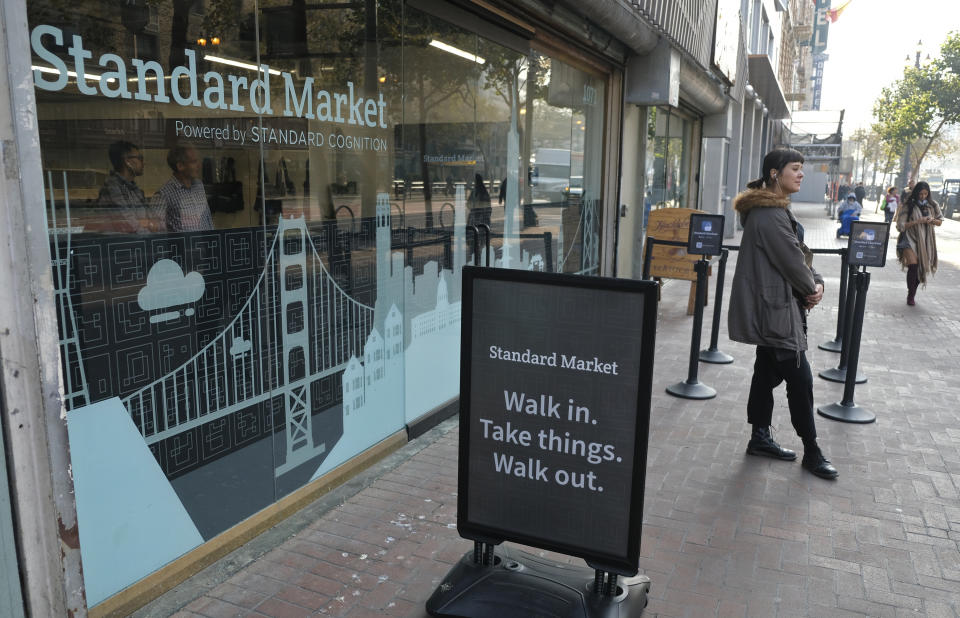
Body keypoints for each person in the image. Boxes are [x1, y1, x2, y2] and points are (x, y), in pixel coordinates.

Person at [728, 148, 838, 480]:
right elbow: (793, 262)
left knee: (765, 373)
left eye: (803, 168)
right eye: (795, 168)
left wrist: (815, 283)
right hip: (777, 311)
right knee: (800, 379)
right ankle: (812, 450)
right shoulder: (769, 214)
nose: (801, 174)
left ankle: (759, 437)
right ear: (775, 173)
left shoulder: (772, 211)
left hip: (777, 306)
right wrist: (812, 287)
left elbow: (798, 255)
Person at [896, 180, 942, 306]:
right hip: (908, 239)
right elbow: (900, 226)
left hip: (926, 240)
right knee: (913, 265)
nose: (923, 196)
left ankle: (912, 293)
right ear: (916, 193)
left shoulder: (933, 205)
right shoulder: (908, 206)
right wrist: (917, 221)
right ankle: (910, 296)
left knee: (919, 268)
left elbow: (940, 221)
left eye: (925, 194)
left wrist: (932, 220)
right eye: (920, 194)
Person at [96, 141, 156, 233]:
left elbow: (154, 220)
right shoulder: (113, 188)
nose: (144, 163)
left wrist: (149, 224)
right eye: (140, 158)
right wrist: (148, 228)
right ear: (127, 161)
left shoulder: (134, 188)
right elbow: (130, 226)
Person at [151, 145, 214, 232]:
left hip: (207, 244)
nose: (199, 165)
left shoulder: (199, 185)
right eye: (194, 162)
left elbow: (207, 217)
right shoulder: (163, 195)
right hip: (183, 245)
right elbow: (155, 230)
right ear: (180, 166)